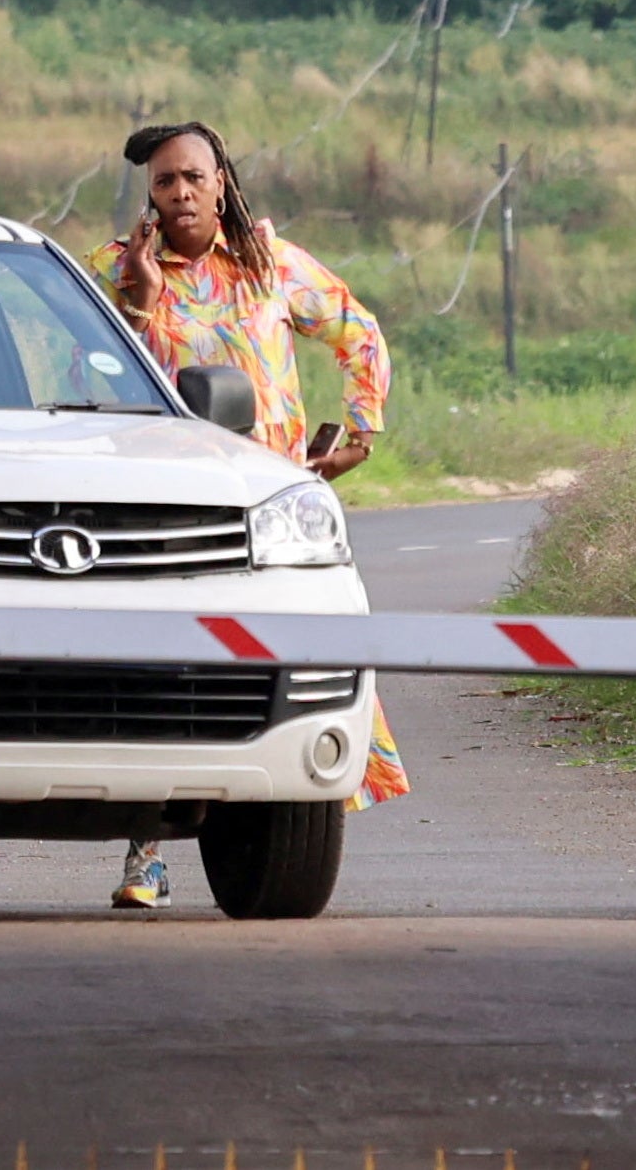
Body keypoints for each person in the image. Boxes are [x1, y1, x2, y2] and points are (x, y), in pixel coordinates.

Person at [98, 118, 404, 909]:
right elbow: (83, 388)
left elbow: (360, 334)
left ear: (222, 181)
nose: (181, 192)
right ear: (151, 197)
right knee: (161, 673)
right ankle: (145, 853)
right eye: (165, 182)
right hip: (161, 514)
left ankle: (279, 834)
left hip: (269, 510)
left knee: (281, 668)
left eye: (194, 176)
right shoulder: (118, 272)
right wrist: (139, 300)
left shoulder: (268, 264)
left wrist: (358, 432)